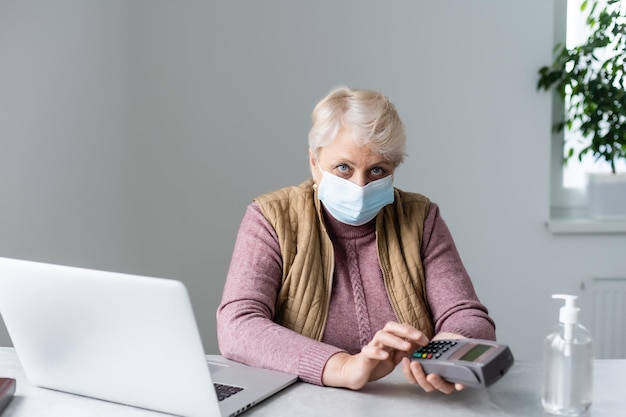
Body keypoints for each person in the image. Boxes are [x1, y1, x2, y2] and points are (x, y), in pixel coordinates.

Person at [216, 86, 496, 393]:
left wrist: (448, 350)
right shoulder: (271, 218)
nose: (360, 185)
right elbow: (237, 324)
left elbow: (467, 315)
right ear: (314, 163)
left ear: (394, 171)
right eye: (343, 168)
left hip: (407, 403)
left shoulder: (421, 218)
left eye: (377, 170)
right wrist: (343, 367)